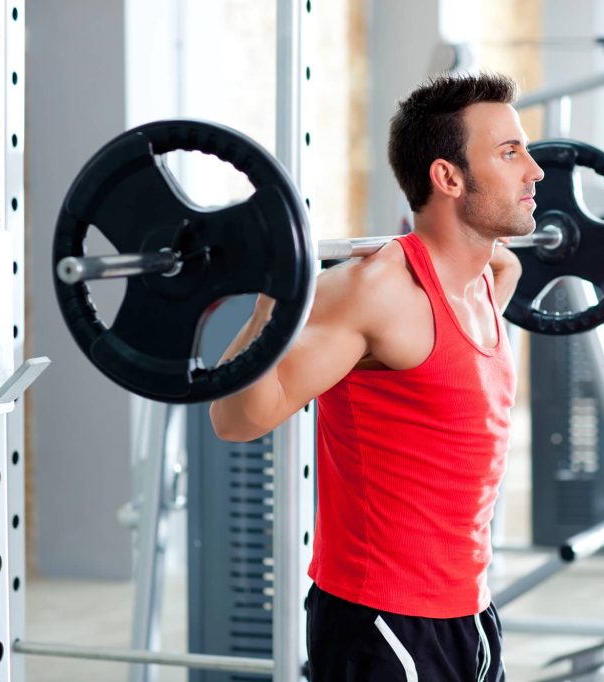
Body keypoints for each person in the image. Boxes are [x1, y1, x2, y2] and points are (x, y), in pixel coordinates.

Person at [209, 71, 543, 681]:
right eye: (510, 152)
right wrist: (270, 299)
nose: (535, 171)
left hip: (470, 612)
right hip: (381, 621)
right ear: (447, 178)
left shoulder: (493, 276)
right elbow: (235, 419)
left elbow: (500, 262)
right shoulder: (375, 294)